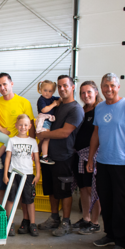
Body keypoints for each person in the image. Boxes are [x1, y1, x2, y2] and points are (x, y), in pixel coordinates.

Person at [86, 73, 125, 249]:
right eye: (105, 86)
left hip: (123, 164)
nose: (108, 89)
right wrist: (91, 159)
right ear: (100, 88)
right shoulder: (100, 108)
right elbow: (96, 134)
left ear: (118, 87)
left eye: (112, 85)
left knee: (121, 204)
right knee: (107, 202)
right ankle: (109, 235)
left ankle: (121, 242)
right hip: (103, 162)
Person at [0, 72, 35, 234]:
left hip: (21, 151)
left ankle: (26, 220)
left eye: (5, 84)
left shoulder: (23, 102)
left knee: (22, 188)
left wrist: (32, 151)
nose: (2, 88)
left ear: (11, 83)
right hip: (0, 149)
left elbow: (30, 126)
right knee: (1, 185)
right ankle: (5, 219)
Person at [37, 75, 84, 237]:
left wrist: (44, 135)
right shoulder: (56, 104)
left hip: (64, 156)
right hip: (48, 156)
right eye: (60, 86)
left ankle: (66, 221)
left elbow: (65, 132)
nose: (62, 88)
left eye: (66, 85)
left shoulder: (75, 109)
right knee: (51, 189)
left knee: (64, 191)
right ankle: (54, 217)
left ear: (72, 87)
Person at [72, 81, 103, 234]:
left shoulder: (100, 109)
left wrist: (91, 158)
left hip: (92, 156)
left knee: (93, 190)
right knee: (83, 189)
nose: (86, 95)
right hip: (79, 156)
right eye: (83, 93)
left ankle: (95, 222)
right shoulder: (82, 110)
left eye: (89, 92)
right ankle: (86, 218)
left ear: (96, 92)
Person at [3, 114, 40, 236]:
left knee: (29, 200)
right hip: (13, 174)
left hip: (28, 175)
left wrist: (38, 173)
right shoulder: (11, 140)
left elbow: (37, 160)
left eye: (25, 125)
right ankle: (10, 223)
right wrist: (5, 174)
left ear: (29, 126)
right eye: (20, 124)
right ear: (16, 126)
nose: (23, 127)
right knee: (11, 199)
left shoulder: (33, 142)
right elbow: (8, 158)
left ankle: (32, 224)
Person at [35, 80, 61, 165]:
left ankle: (39, 153)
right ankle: (45, 156)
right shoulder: (41, 99)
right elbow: (44, 110)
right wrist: (53, 104)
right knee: (46, 138)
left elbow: (61, 99)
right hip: (43, 120)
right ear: (40, 90)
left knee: (45, 139)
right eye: (45, 90)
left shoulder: (52, 98)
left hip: (48, 121)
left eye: (50, 91)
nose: (47, 93)